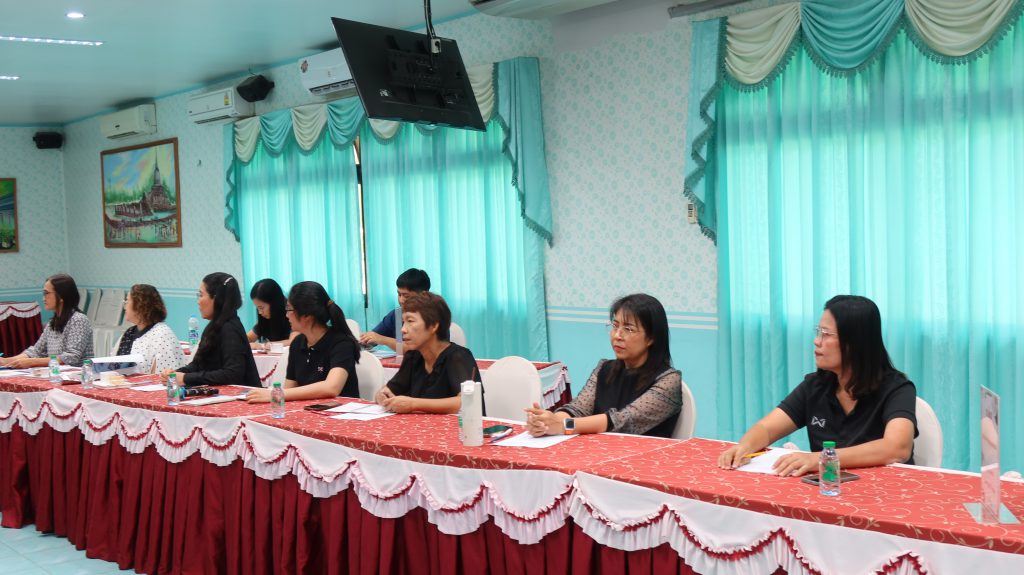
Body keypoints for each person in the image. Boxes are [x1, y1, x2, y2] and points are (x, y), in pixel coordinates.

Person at [717, 295, 917, 475]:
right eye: (818, 332)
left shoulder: (897, 389)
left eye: (826, 334)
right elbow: (767, 428)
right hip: (827, 490)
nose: (816, 341)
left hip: (883, 493)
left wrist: (821, 458)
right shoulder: (815, 385)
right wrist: (745, 446)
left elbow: (897, 448)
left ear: (854, 342)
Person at [526, 294, 683, 438]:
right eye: (615, 326)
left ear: (651, 338)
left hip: (643, 457)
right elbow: (578, 409)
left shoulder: (669, 380)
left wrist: (562, 425)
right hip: (598, 453)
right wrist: (547, 422)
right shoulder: (604, 369)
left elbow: (622, 422)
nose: (617, 335)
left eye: (628, 329)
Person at [246, 281, 361, 403]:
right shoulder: (297, 343)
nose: (286, 315)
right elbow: (290, 389)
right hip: (307, 410)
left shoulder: (341, 343)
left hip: (341, 411)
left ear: (307, 315)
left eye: (289, 309)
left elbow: (332, 387)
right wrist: (277, 395)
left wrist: (276, 394)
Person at [374, 291, 480, 414]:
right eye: (403, 322)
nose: (403, 329)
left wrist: (414, 404)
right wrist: (382, 396)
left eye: (410, 321)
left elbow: (465, 401)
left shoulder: (458, 356)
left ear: (433, 326)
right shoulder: (413, 355)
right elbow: (389, 389)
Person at [162, 272, 259, 387]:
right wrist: (176, 374)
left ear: (216, 298)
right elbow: (197, 365)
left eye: (201, 295)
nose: (198, 301)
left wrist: (186, 378)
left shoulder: (230, 328)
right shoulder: (214, 326)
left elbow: (232, 374)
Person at [1, 274, 93, 368]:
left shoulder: (79, 320)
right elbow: (36, 351)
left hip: (80, 375)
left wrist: (31, 362)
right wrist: (6, 361)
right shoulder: (53, 323)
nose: (43, 298)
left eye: (47, 293)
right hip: (57, 374)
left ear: (61, 296)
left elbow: (71, 357)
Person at [113, 284, 185, 373]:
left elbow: (163, 376)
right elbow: (112, 365)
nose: (124, 307)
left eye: (127, 301)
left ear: (139, 306)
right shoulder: (129, 333)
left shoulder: (162, 335)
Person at [359, 268, 430, 351]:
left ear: (423, 295)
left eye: (406, 296)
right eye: (399, 294)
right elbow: (374, 337)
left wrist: (383, 339)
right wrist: (364, 342)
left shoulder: (431, 316)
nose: (401, 300)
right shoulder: (397, 314)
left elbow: (412, 350)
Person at [246, 278, 296, 349]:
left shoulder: (291, 314)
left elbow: (293, 342)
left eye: (261, 308)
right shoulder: (265, 319)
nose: (260, 312)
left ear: (274, 303)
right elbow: (248, 338)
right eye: (257, 308)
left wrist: (262, 346)